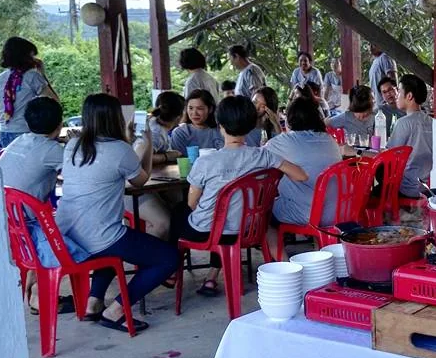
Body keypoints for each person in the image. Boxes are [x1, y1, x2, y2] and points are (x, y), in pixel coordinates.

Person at [55, 94, 179, 332]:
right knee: (167, 258)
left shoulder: (73, 144)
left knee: (117, 244)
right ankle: (117, 310)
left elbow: (108, 161)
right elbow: (141, 180)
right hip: (101, 238)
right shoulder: (119, 149)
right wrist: (148, 142)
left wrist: (129, 140)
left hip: (67, 235)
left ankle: (94, 303)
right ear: (115, 117)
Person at [169, 95, 308, 296]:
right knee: (228, 216)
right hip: (249, 228)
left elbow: (192, 203)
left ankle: (173, 269)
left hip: (210, 232)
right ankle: (211, 275)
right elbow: (301, 176)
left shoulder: (206, 162)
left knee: (180, 211)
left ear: (220, 124)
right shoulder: (264, 155)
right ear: (251, 125)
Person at [0, 97, 91, 313]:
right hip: (29, 224)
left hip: (9, 223)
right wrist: (75, 145)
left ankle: (34, 289)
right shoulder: (52, 150)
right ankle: (41, 296)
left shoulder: (20, 141)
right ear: (59, 124)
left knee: (56, 223)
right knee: (80, 234)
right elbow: (81, 174)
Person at [265, 96, 343, 255]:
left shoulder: (284, 141)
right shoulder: (329, 139)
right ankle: (317, 248)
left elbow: (260, 155)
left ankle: (284, 265)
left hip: (308, 215)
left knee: (263, 216)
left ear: (290, 118)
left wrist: (275, 124)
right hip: (337, 212)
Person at [124, 91, 187, 240]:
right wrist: (167, 156)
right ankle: (154, 257)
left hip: (145, 182)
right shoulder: (157, 133)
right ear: (179, 117)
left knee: (180, 204)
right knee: (166, 220)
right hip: (133, 187)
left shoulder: (151, 122)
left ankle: (173, 253)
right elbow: (142, 157)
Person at [0, 37, 59, 147]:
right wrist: (42, 74)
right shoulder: (32, 76)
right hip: (26, 133)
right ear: (25, 56)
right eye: (32, 56)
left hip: (4, 133)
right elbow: (54, 103)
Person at [387, 74, 432, 197]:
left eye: (399, 91)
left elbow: (388, 155)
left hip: (407, 187)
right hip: (429, 185)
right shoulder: (431, 121)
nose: (396, 96)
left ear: (409, 96)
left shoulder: (404, 123)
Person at [369, 45, 399, 134]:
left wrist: (392, 97)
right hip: (379, 108)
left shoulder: (385, 57)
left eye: (374, 44)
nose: (371, 47)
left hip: (388, 107)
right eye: (370, 44)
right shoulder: (375, 61)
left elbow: (392, 79)